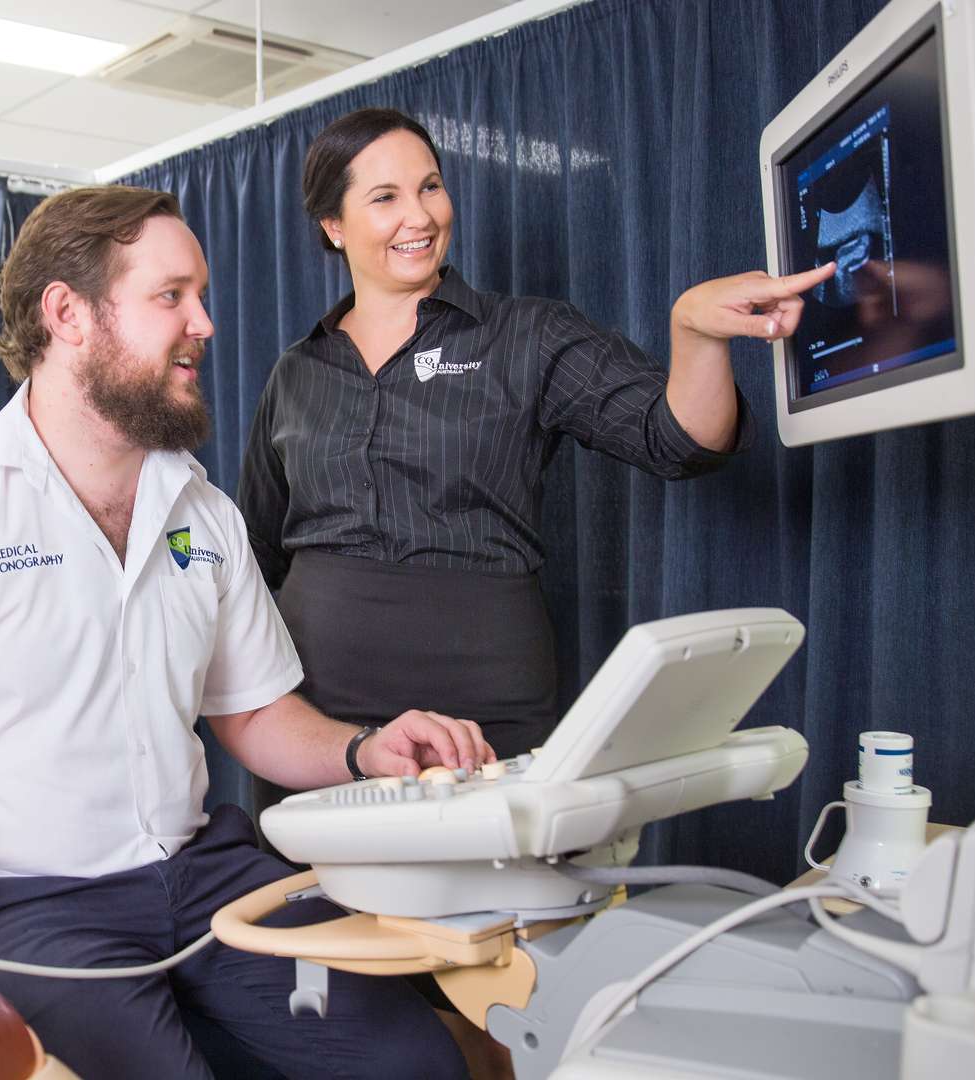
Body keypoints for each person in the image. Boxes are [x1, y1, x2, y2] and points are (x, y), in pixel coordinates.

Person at [0, 186, 490, 1080]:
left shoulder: (204, 512)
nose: (206, 323)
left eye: (203, 294)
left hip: (202, 873)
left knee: (416, 1062)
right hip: (20, 902)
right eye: (171, 295)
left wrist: (364, 751)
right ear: (68, 314)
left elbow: (254, 715)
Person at [238, 108, 835, 800]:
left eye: (430, 187)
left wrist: (694, 332)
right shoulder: (298, 371)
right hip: (320, 714)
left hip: (483, 703)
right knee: (312, 901)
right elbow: (257, 551)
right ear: (333, 226)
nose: (420, 216)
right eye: (385, 197)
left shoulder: (526, 335)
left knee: (491, 901)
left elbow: (679, 440)